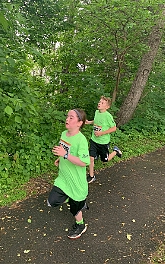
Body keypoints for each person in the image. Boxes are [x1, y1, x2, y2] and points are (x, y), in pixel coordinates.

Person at [47, 108, 90, 239]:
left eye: (71, 117)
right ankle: (73, 200)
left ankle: (81, 225)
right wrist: (60, 159)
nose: (67, 119)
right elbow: (64, 151)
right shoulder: (64, 134)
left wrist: (64, 155)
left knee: (75, 209)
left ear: (79, 123)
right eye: (67, 116)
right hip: (64, 178)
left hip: (76, 182)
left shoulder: (81, 140)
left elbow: (84, 162)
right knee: (52, 201)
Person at [86, 96, 122, 183]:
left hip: (103, 143)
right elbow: (96, 121)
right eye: (99, 102)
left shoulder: (108, 116)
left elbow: (114, 128)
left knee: (105, 160)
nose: (99, 103)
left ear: (107, 107)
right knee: (91, 158)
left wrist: (101, 133)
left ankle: (116, 151)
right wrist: (89, 122)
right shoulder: (96, 112)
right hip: (94, 140)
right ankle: (91, 176)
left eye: (102, 103)